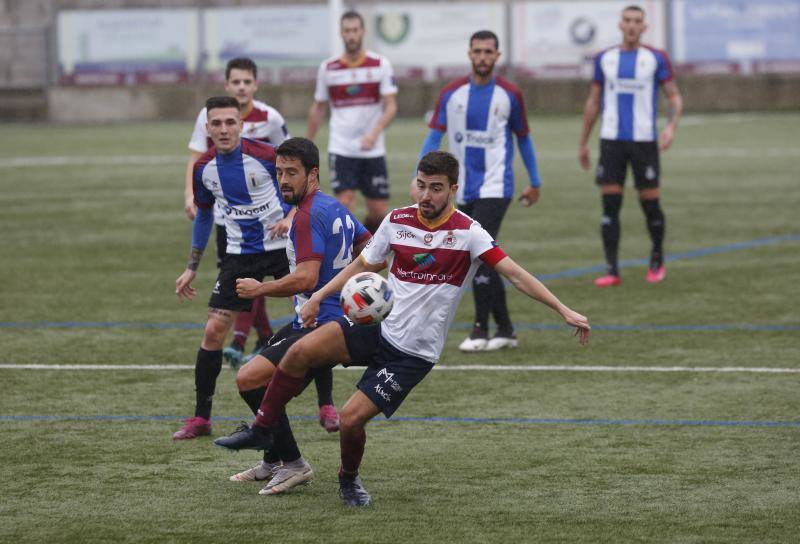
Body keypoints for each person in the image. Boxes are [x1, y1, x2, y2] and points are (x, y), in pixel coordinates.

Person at [214, 150, 591, 507]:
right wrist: (318, 297)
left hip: (413, 354)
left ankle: (348, 478)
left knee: (350, 420)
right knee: (300, 351)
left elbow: (515, 274)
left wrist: (562, 309)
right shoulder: (397, 221)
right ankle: (264, 427)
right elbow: (362, 265)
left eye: (436, 187)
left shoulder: (468, 233)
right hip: (376, 326)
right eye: (422, 185)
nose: (426, 195)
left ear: (453, 189)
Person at [225, 137, 372, 495]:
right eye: (279, 172)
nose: (284, 180)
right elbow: (366, 245)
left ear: (313, 173)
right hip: (321, 323)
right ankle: (274, 459)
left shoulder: (306, 215)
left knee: (249, 379)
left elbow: (306, 277)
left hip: (320, 326)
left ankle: (292, 463)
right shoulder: (334, 206)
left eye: (292, 172)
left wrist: (258, 288)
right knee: (269, 387)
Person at [172, 96, 293, 440]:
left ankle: (326, 407)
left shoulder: (268, 156)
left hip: (282, 248)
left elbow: (301, 193)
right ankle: (201, 418)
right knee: (213, 332)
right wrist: (191, 267)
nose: (223, 129)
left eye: (230, 122)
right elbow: (205, 215)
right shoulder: (203, 168)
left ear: (241, 124)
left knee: (310, 319)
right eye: (216, 124)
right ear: (207, 128)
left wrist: (289, 217)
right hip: (240, 254)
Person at [416, 30, 542, 353]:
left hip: (497, 186)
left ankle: (479, 329)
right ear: (469, 54)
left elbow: (523, 139)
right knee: (484, 256)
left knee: (478, 253)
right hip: (462, 189)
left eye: (489, 52)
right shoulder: (451, 94)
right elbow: (434, 136)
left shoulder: (510, 94)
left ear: (497, 56)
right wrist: (422, 179)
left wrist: (535, 181)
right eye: (478, 51)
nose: (483, 57)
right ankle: (506, 329)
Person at [184, 57, 288, 369]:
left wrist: (289, 214)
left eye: (247, 81)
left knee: (307, 310)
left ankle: (247, 338)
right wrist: (190, 193)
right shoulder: (208, 116)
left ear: (255, 84)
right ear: (227, 84)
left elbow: (292, 161)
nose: (242, 87)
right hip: (228, 224)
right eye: (236, 82)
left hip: (274, 228)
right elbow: (196, 158)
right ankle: (258, 336)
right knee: (243, 284)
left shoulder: (270, 118)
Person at [577, 4, 683, 287]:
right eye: (628, 20)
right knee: (610, 206)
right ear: (620, 25)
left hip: (644, 142)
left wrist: (670, 127)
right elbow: (593, 100)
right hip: (611, 141)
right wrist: (584, 141)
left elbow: (674, 97)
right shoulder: (605, 59)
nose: (632, 25)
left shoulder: (656, 58)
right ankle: (612, 270)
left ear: (644, 27)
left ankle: (657, 259)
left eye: (638, 21)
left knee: (650, 204)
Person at [306, 10, 398, 234]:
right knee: (345, 204)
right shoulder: (329, 68)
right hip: (342, 147)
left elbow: (391, 106)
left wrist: (374, 133)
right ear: (341, 33)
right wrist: (307, 144)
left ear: (363, 32)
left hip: (372, 149)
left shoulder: (380, 64)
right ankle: (351, 256)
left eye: (355, 30)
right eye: (347, 31)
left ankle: (365, 245)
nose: (351, 35)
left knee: (378, 211)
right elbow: (319, 107)